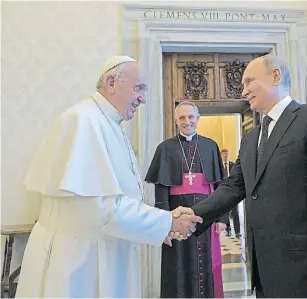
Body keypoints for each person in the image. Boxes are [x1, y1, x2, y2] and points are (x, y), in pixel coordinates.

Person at [16, 56, 202, 298]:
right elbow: (102, 209)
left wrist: (161, 225)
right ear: (112, 82)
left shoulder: (109, 124)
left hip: (101, 252)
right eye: (138, 88)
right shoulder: (83, 121)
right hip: (79, 263)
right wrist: (166, 222)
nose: (143, 98)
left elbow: (119, 198)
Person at [185, 54, 307, 297]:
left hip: (306, 270)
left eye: (249, 82)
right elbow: (233, 187)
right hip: (264, 270)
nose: (243, 90)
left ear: (275, 76)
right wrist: (193, 214)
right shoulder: (250, 139)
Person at [145, 101, 228, 298]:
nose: (187, 121)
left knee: (206, 263)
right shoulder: (165, 148)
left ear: (198, 118)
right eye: (182, 118)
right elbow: (161, 189)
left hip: (205, 216)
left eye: (191, 117)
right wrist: (163, 223)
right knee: (177, 265)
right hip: (176, 217)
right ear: (176, 121)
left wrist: (222, 219)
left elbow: (220, 187)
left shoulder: (210, 146)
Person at [220, 148, 240, 238]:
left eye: (227, 154)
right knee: (226, 211)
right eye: (224, 154)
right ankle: (228, 230)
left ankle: (237, 231)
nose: (225, 156)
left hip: (233, 191)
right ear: (221, 155)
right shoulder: (219, 166)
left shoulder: (233, 165)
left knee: (235, 212)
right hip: (223, 191)